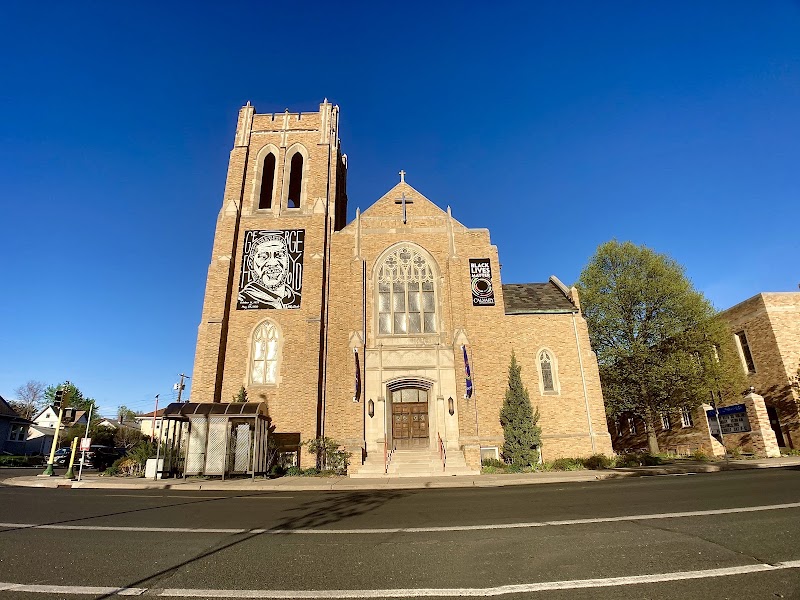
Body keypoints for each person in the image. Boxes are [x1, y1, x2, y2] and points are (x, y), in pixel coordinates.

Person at [238, 234, 297, 308]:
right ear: (250, 263)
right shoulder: (241, 301)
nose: (273, 263)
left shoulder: (298, 299)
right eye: (263, 257)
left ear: (288, 260)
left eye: (280, 255)